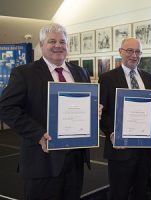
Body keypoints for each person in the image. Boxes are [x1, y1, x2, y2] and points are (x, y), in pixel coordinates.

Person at [0, 23, 99, 200]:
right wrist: (38, 134)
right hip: (42, 161)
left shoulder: (81, 72)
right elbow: (6, 108)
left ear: (68, 45)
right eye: (52, 41)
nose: (58, 45)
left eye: (62, 41)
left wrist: (93, 111)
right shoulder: (24, 73)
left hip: (75, 161)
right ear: (42, 44)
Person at [99, 38, 151, 200]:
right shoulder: (107, 78)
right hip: (120, 150)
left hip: (145, 150)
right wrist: (111, 133)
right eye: (130, 51)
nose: (134, 55)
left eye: (138, 52)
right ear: (120, 52)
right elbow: (101, 113)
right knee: (119, 194)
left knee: (141, 193)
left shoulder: (149, 78)